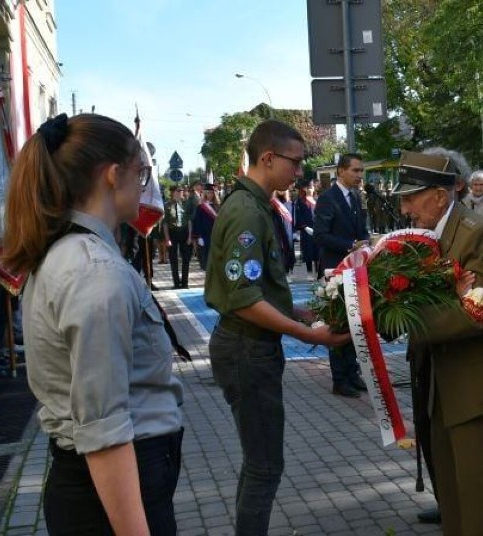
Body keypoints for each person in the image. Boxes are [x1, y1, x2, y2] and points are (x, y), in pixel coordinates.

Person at [3, 113, 184, 536]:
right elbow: (105, 431)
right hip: (113, 494)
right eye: (141, 173)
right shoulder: (95, 271)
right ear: (112, 175)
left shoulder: (74, 253)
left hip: (103, 489)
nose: (145, 187)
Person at [204, 119, 349, 536]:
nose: (300, 172)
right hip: (246, 349)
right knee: (265, 465)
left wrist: (302, 314)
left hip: (249, 346)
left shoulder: (254, 204)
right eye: (296, 162)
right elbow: (243, 298)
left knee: (260, 463)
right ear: (268, 158)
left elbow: (257, 289)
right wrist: (308, 335)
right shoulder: (247, 211)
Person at [392, 149, 483, 535]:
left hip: (473, 391)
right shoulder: (422, 237)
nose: (404, 207)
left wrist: (405, 317)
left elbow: (477, 312)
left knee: (479, 504)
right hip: (435, 387)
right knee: (452, 501)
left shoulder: (477, 233)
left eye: (411, 197)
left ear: (440, 196)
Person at [313, 153, 370, 398]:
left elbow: (360, 231)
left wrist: (367, 243)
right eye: (355, 171)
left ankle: (352, 372)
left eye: (361, 171)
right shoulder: (328, 199)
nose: (359, 176)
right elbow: (320, 235)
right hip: (335, 269)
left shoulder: (356, 197)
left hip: (355, 269)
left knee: (354, 320)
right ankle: (339, 379)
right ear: (341, 171)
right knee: (338, 322)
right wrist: (350, 246)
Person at [163, 184, 192, 288]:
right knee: (173, 259)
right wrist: (167, 239)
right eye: (178, 191)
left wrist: (189, 236)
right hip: (172, 233)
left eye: (181, 191)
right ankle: (176, 283)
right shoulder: (167, 205)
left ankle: (185, 283)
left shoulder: (186, 204)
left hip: (184, 232)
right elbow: (165, 223)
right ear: (173, 193)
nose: (181, 192)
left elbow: (189, 221)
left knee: (186, 259)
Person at [293, 178, 319, 273]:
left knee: (318, 251)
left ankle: (318, 273)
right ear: (305, 188)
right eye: (311, 187)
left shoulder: (317, 199)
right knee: (308, 251)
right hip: (307, 230)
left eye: (313, 187)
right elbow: (298, 216)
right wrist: (305, 227)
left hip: (317, 229)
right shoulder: (300, 201)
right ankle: (309, 272)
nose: (312, 189)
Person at [191, 183, 218, 271]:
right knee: (206, 256)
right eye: (208, 192)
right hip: (205, 235)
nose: (210, 194)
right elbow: (197, 222)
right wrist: (199, 236)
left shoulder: (219, 206)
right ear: (205, 193)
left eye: (212, 192)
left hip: (216, 234)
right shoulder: (201, 207)